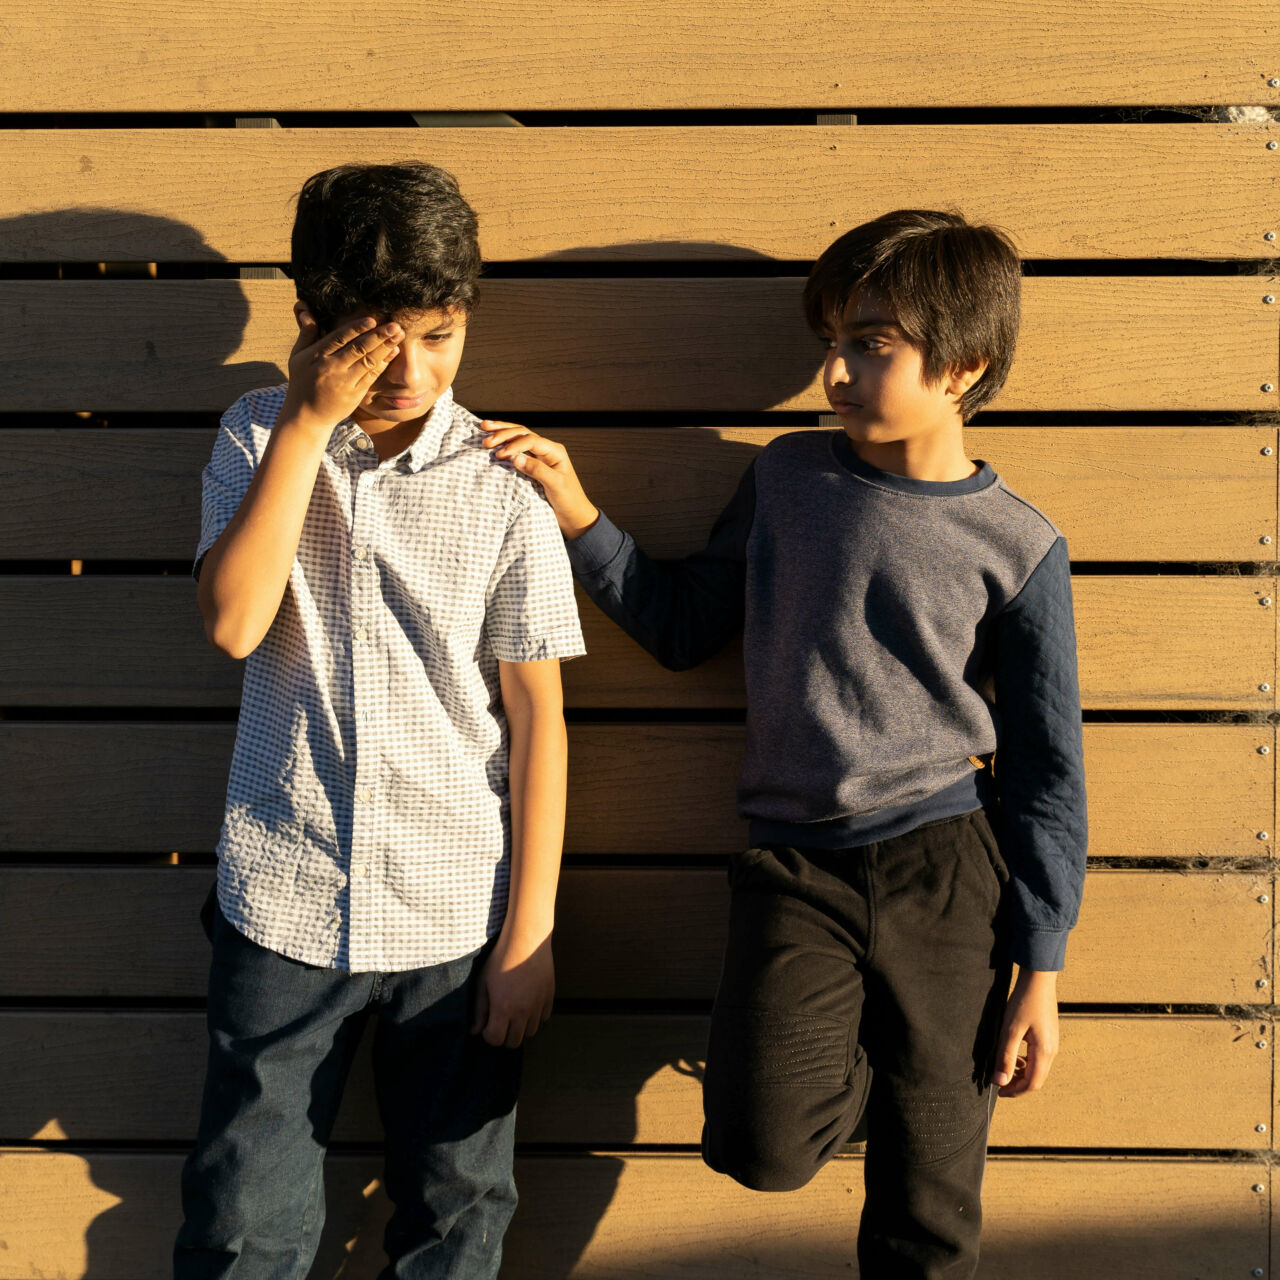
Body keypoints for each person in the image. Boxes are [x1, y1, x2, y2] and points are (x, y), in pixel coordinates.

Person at [481, 209, 1087, 1279]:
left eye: (869, 344)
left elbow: (1045, 769)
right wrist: (576, 510)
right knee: (757, 1145)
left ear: (964, 367)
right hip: (793, 866)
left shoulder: (1020, 546)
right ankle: (862, 1049)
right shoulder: (785, 480)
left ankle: (914, 1072)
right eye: (831, 343)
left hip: (946, 870)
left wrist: (1039, 965)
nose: (834, 370)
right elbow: (681, 627)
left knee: (928, 1201)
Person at [174, 162, 585, 1279]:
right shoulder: (256, 438)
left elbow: (537, 718)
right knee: (241, 1219)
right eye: (375, 336)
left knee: (458, 1210)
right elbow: (234, 624)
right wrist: (309, 426)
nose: (410, 369)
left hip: (455, 917)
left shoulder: (501, 485)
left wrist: (529, 933)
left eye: (440, 335)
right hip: (282, 900)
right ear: (309, 321)